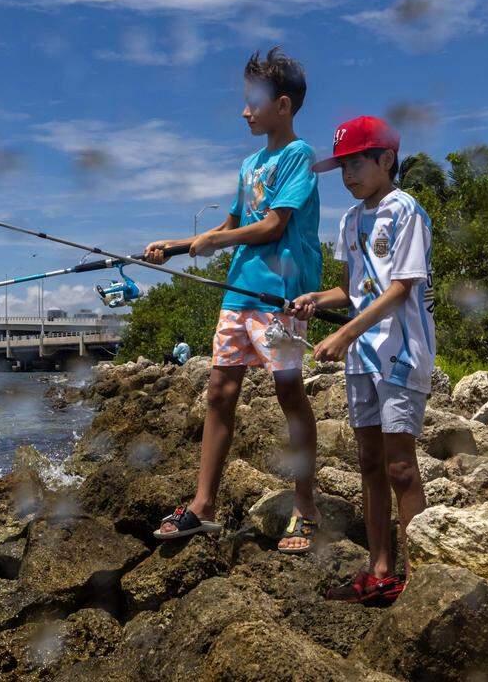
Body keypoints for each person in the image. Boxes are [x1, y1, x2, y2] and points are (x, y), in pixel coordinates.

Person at [143, 47, 323, 553]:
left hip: (279, 297)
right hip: (239, 292)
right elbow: (231, 224)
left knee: (290, 396)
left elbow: (272, 225)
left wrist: (215, 243)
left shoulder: (298, 157)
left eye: (254, 102)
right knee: (220, 392)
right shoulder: (250, 163)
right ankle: (203, 507)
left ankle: (305, 509)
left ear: (282, 105)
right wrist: (177, 246)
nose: (245, 112)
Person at [291, 116, 434, 604]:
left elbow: (400, 288)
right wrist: (317, 298)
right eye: (341, 167)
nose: (347, 175)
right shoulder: (349, 220)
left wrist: (345, 333)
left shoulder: (406, 210)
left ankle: (417, 578)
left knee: (401, 468)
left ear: (386, 159)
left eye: (355, 163)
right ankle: (378, 569)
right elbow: (355, 289)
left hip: (401, 352)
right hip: (362, 358)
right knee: (369, 462)